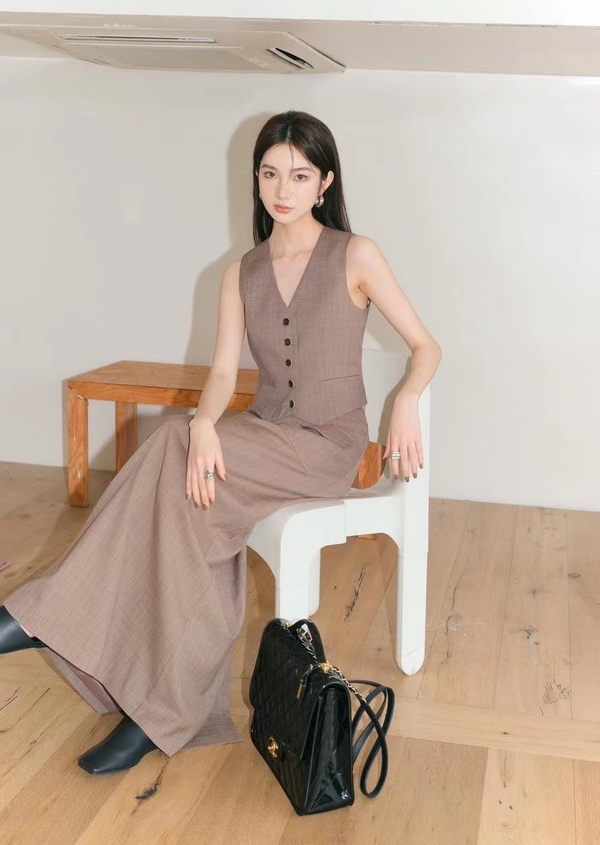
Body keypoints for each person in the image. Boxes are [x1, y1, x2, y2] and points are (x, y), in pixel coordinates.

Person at [0, 110, 441, 775]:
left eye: (299, 175)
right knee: (187, 484)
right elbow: (222, 376)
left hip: (328, 446)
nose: (282, 189)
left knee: (169, 451)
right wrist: (205, 421)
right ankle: (158, 711)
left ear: (325, 183)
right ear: (256, 179)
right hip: (262, 433)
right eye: (270, 173)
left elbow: (427, 346)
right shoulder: (243, 272)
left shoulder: (356, 255)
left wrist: (406, 397)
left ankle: (46, 618)